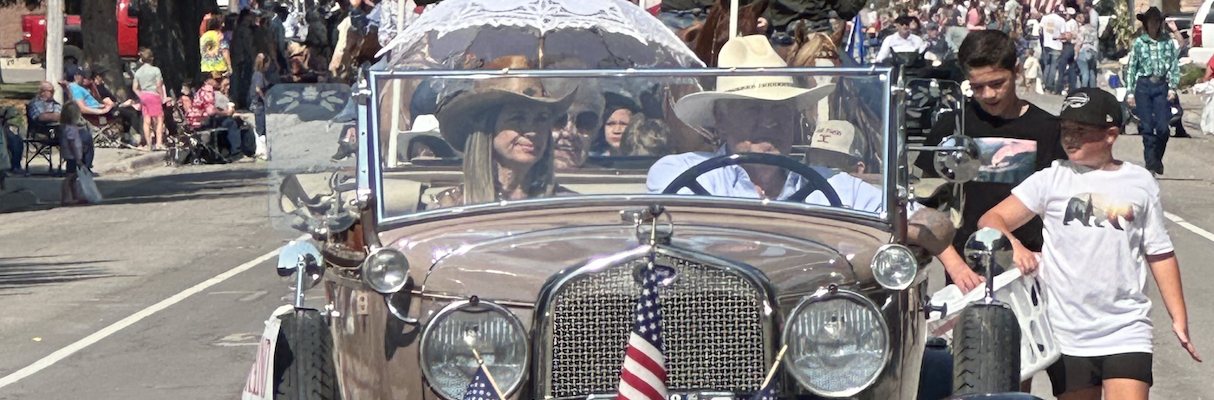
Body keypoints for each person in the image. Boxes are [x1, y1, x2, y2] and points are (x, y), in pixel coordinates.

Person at [978, 88, 1202, 400]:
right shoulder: (1052, 179)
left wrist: (1179, 318)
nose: (1070, 139)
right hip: (1066, 331)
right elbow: (991, 220)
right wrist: (1015, 246)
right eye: (1066, 130)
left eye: (1081, 131)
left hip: (1127, 328)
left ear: (1111, 134)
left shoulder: (1140, 182)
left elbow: (1159, 252)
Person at [914, 30, 1067, 293]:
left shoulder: (1048, 128)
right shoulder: (952, 126)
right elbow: (923, 207)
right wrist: (954, 264)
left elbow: (1061, 204)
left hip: (1031, 267)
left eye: (997, 83)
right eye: (977, 87)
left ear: (1016, 71)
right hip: (966, 272)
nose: (988, 94)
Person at [431, 55, 576, 208]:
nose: (532, 131)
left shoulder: (568, 206)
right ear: (488, 128)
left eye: (542, 119)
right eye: (517, 118)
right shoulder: (449, 207)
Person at [1125, 7, 1180, 177]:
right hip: (1143, 86)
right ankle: (1150, 163)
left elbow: (1174, 66)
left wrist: (1172, 88)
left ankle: (1157, 158)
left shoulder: (1167, 42)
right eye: (1151, 21)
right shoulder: (1139, 43)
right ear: (1146, 23)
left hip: (1161, 86)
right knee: (1147, 127)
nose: (1154, 25)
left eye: (1157, 21)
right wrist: (1130, 92)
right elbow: (1132, 68)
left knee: (1163, 128)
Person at [133, 47, 168, 151]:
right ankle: (159, 143)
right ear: (152, 58)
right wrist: (162, 97)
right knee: (159, 119)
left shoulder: (138, 72)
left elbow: (135, 88)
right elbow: (159, 85)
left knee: (146, 120)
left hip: (144, 95)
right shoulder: (156, 70)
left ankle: (148, 145)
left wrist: (141, 95)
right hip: (154, 95)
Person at [58, 101, 91, 206]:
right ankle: (66, 197)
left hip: (72, 154)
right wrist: (77, 158)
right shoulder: (70, 129)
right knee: (70, 177)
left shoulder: (68, 127)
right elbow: (72, 143)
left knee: (73, 177)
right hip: (72, 155)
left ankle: (74, 196)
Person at [595, 91, 641, 156]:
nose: (617, 130)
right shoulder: (592, 159)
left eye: (623, 124)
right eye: (610, 124)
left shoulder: (646, 158)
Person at [1040, 6, 1065, 94]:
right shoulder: (1061, 20)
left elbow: (1040, 30)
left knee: (1047, 65)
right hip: (1056, 45)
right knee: (1053, 66)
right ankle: (1049, 86)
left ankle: (1044, 83)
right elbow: (1063, 34)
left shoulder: (1045, 18)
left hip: (1046, 44)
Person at [1075, 12, 1098, 89]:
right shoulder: (1094, 29)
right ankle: (1093, 90)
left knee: (1085, 72)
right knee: (1092, 72)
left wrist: (1076, 54)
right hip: (1093, 50)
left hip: (1084, 50)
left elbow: (1079, 42)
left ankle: (1084, 89)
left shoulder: (1082, 29)